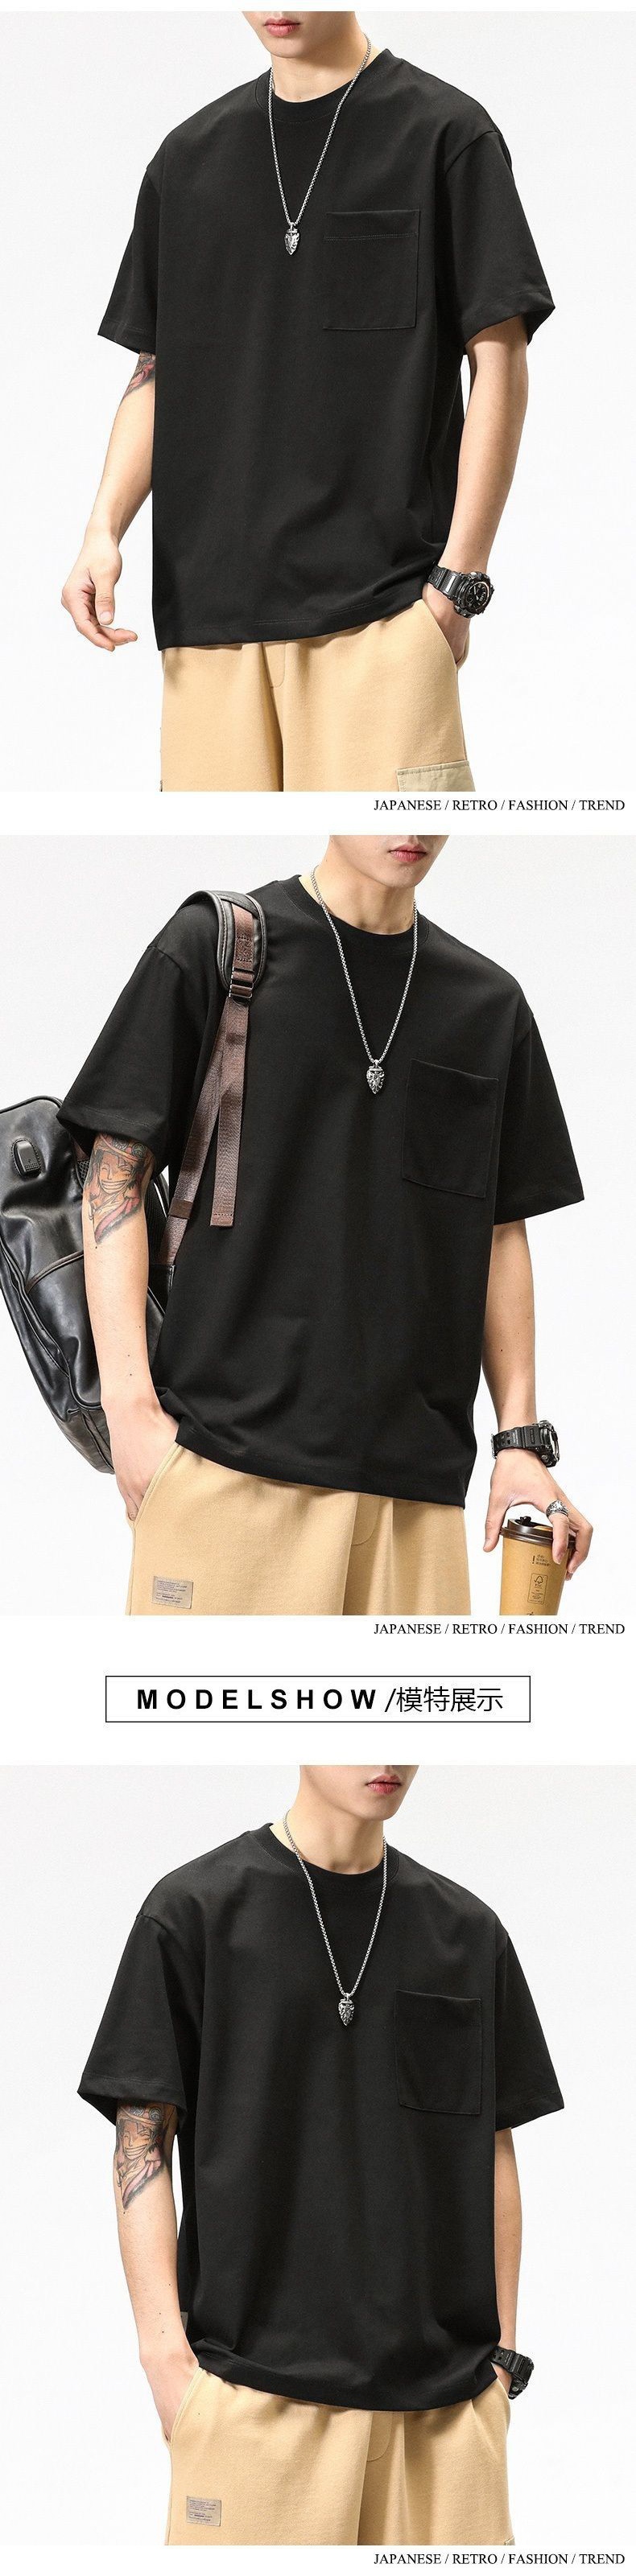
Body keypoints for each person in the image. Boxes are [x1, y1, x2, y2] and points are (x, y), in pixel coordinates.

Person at [57, 834, 593, 1616]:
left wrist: (518, 1443)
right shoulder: (216, 946)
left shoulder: (488, 1005)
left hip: (413, 1503)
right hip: (226, 1470)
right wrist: (130, 1412)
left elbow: (497, 1231)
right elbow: (115, 1175)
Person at [60, 11, 554, 791]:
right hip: (208, 627)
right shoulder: (187, 160)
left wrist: (458, 583)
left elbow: (499, 362)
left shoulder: (445, 134)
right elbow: (159, 368)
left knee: (391, 840)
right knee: (226, 848)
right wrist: (102, 530)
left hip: (383, 615)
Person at [79, 1763, 564, 2545]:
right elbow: (141, 2140)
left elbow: (492, 2148)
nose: (388, 1753)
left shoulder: (466, 1932)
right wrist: (165, 2359)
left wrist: (501, 2358)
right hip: (255, 2405)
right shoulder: (196, 1911)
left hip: (446, 2418)